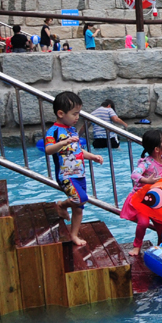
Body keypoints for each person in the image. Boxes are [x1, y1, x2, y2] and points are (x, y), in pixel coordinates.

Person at [44, 91, 104, 247]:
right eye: (74, 114)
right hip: (66, 175)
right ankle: (62, 205)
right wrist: (63, 143)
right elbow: (48, 150)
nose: (77, 117)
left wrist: (92, 156)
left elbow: (77, 151)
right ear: (60, 113)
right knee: (81, 198)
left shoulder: (72, 130)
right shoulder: (54, 132)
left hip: (79, 174)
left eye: (79, 113)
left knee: (79, 207)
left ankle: (74, 235)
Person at [122, 129, 162, 256]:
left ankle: (161, 247)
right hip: (143, 200)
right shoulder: (146, 163)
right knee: (143, 223)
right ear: (157, 149)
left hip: (158, 201)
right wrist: (147, 180)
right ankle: (137, 246)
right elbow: (134, 174)